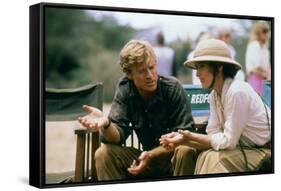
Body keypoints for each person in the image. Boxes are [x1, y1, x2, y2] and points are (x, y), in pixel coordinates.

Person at [78, 39, 195, 180]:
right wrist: (107, 124)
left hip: (173, 160)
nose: (150, 76)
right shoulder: (125, 88)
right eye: (141, 71)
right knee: (103, 153)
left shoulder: (172, 89)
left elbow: (186, 139)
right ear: (129, 74)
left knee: (185, 150)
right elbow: (117, 136)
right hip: (145, 160)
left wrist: (151, 155)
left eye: (152, 68)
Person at [160, 39, 271, 174]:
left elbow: (227, 142)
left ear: (219, 67)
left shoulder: (237, 91)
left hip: (266, 154)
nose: (197, 74)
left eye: (201, 67)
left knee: (214, 160)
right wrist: (183, 140)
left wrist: (190, 137)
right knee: (186, 151)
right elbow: (213, 135)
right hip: (243, 148)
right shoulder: (214, 95)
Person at [246, 21, 271, 95]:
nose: (266, 34)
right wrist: (267, 75)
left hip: (264, 79)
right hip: (255, 79)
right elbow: (257, 67)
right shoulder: (255, 45)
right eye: (264, 31)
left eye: (267, 31)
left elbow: (267, 66)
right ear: (258, 32)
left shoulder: (265, 48)